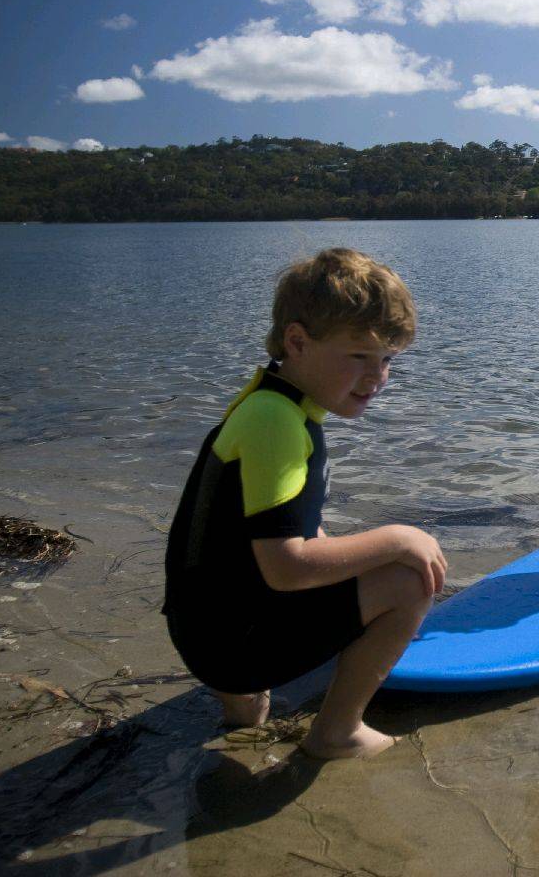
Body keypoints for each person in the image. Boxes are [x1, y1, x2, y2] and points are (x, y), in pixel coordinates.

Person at [162, 247, 446, 759]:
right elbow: (288, 568)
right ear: (297, 342)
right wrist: (399, 537)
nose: (376, 377)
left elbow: (262, 532)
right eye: (358, 357)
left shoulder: (266, 401)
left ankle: (242, 703)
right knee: (410, 580)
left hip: (200, 628)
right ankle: (338, 732)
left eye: (386, 360)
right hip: (228, 647)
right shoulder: (279, 424)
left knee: (345, 556)